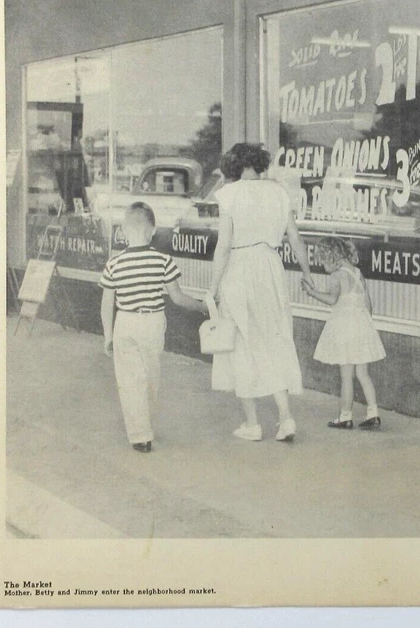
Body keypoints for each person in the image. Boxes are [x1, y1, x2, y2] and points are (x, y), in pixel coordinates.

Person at [208, 143, 313, 442]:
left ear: (233, 165)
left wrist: (213, 288)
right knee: (274, 339)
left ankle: (253, 424)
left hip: (240, 268)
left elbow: (224, 246)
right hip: (270, 266)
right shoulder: (278, 192)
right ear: (258, 163)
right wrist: (306, 274)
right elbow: (295, 238)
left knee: (242, 342)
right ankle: (286, 418)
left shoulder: (229, 194)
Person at [100, 201, 206, 453]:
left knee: (129, 381)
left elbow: (107, 303)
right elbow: (178, 297)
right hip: (153, 322)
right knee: (150, 377)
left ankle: (140, 436)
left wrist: (107, 334)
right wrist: (202, 306)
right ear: (153, 230)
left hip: (124, 321)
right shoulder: (163, 260)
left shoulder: (114, 264)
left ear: (124, 231)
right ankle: (145, 427)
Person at [301, 237, 385, 430]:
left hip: (345, 328)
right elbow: (368, 302)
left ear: (331, 257)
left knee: (347, 376)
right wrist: (367, 325)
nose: (323, 267)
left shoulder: (337, 276)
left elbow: (332, 300)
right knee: (363, 373)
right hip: (362, 326)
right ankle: (373, 413)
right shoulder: (357, 272)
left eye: (323, 262)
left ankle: (345, 416)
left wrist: (312, 292)